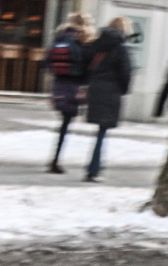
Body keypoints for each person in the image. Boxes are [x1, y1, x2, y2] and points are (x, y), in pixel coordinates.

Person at [83, 17, 133, 183]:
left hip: (95, 89)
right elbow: (126, 72)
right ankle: (94, 169)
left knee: (100, 132)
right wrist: (123, 90)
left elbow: (86, 62)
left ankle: (94, 166)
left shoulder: (97, 44)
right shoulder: (120, 48)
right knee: (102, 133)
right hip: (111, 92)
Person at [44, 13, 94, 174]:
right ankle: (56, 160)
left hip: (58, 85)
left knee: (64, 123)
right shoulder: (83, 42)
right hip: (75, 87)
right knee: (66, 124)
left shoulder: (60, 38)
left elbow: (46, 63)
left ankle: (55, 159)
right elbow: (88, 70)